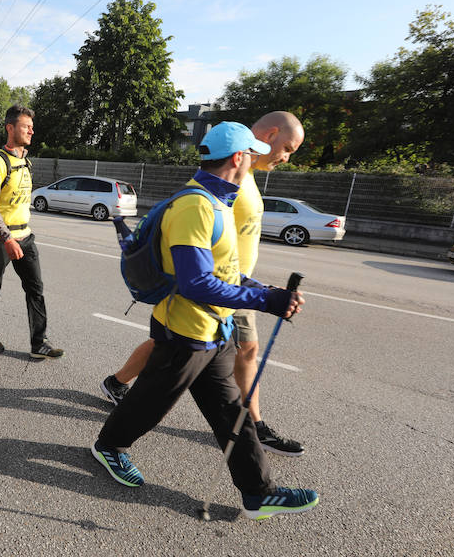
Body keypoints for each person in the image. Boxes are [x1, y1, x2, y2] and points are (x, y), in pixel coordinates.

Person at [90, 122, 319, 520]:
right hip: (186, 331)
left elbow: (224, 271)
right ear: (237, 158)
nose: (255, 160)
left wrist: (268, 291)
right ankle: (108, 446)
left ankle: (258, 493)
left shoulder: (219, 203)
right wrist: (265, 299)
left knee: (233, 410)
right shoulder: (196, 206)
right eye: (251, 153)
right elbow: (196, 283)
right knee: (150, 403)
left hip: (214, 331)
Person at [0, 105, 63, 359]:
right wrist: (7, 238)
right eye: (26, 127)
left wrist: (20, 237)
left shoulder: (26, 161)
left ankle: (39, 343)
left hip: (26, 237)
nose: (31, 131)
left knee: (35, 289)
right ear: (10, 128)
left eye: (31, 127)